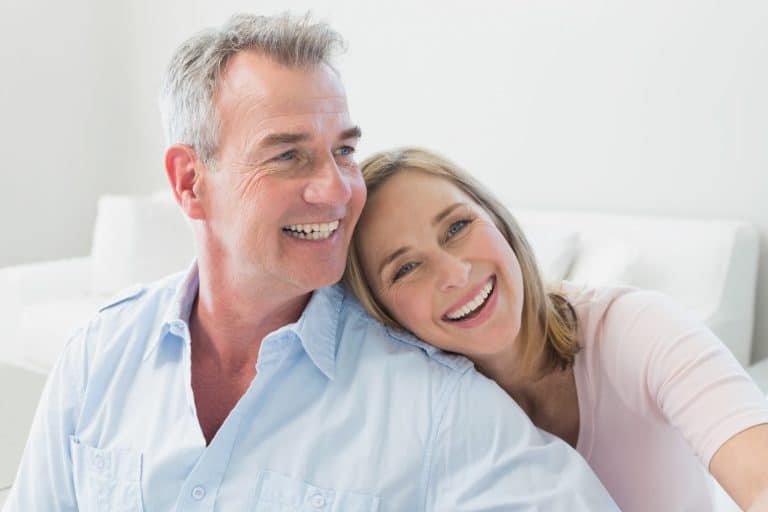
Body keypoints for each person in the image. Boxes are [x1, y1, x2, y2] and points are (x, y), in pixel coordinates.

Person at [3, 14, 618, 511]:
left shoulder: (432, 399)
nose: (338, 189)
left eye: (344, 151)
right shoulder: (98, 354)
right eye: (289, 156)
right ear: (191, 181)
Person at [344, 147, 768, 512]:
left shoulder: (638, 329)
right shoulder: (415, 413)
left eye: (457, 227)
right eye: (407, 268)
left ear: (498, 220)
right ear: (382, 311)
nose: (455, 273)